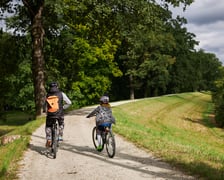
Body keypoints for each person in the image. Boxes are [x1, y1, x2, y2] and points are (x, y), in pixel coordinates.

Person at [43, 82, 72, 148]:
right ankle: (60, 136)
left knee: (48, 126)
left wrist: (45, 111)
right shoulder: (61, 94)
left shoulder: (47, 95)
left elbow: (44, 105)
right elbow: (69, 102)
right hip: (59, 113)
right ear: (57, 87)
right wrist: (63, 108)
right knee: (61, 124)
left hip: (50, 114)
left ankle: (49, 138)